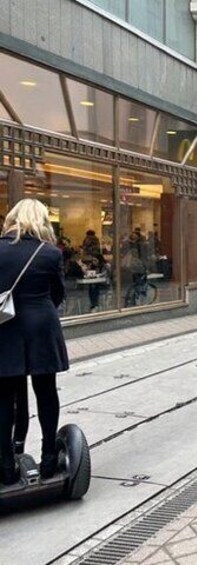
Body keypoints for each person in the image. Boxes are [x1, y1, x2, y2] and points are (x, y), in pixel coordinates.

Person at [0, 199, 69, 484]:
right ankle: (49, 458)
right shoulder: (50, 253)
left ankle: (5, 465)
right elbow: (59, 293)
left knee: (4, 396)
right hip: (42, 325)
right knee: (46, 391)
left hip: (6, 328)